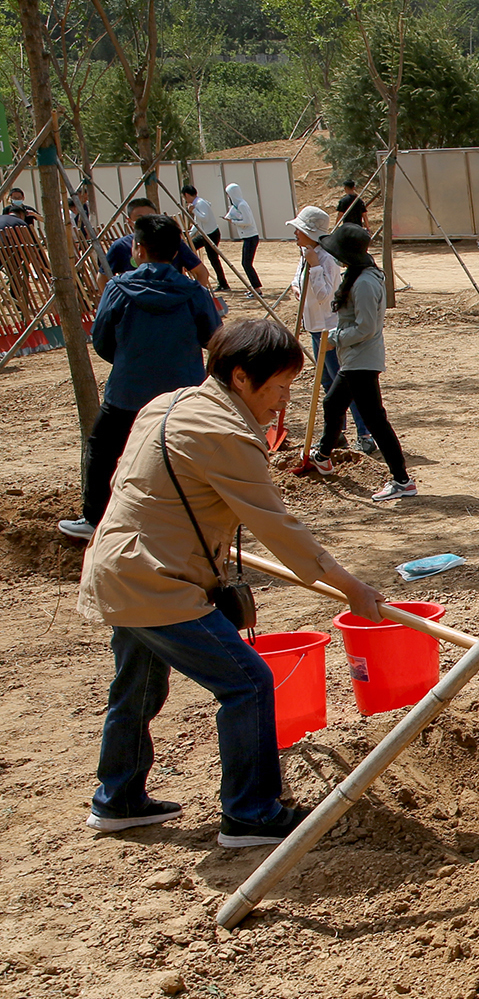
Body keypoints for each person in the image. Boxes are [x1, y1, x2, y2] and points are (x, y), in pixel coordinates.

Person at [79, 316, 386, 847]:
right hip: (156, 581)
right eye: (279, 387)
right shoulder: (223, 432)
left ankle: (118, 798)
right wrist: (352, 587)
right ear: (241, 377)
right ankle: (249, 813)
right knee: (247, 683)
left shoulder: (168, 404)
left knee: (138, 683)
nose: (284, 402)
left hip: (116, 567)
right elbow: (279, 527)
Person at [63, 213, 225, 543]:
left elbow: (101, 340)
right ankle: (189, 523)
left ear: (137, 249)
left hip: (128, 392)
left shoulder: (118, 288)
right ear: (177, 252)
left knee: (103, 449)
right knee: (185, 456)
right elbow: (213, 338)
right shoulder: (194, 293)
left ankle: (95, 519)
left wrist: (131, 361)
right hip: (181, 397)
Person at [313, 224, 415, 502]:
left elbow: (366, 327)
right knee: (333, 403)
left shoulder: (366, 283)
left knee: (375, 420)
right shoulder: (357, 275)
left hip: (362, 360)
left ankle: (402, 480)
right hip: (354, 359)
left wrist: (335, 338)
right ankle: (323, 456)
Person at [285, 205, 356, 450]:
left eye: (299, 229)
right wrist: (297, 286)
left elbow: (325, 295)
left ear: (311, 233)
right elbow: (298, 278)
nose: (295, 233)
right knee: (326, 381)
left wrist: (314, 266)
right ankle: (337, 432)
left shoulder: (326, 259)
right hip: (314, 327)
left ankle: (365, 434)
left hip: (328, 328)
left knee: (341, 382)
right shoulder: (307, 254)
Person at [105, 197, 211, 287]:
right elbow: (102, 277)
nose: (147, 223)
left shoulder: (173, 242)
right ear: (129, 221)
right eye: (140, 218)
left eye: (150, 217)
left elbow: (202, 272)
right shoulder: (120, 246)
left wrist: (192, 298)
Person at [182, 184, 231, 288]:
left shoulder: (200, 203)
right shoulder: (197, 204)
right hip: (204, 234)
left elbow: (205, 218)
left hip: (211, 234)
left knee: (213, 259)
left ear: (186, 195)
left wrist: (193, 210)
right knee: (190, 246)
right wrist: (189, 235)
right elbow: (197, 222)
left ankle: (223, 283)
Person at [223, 182, 261, 296]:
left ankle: (257, 289)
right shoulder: (238, 205)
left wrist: (234, 221)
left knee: (246, 263)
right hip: (247, 237)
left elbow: (248, 221)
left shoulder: (242, 205)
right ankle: (254, 287)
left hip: (251, 237)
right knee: (246, 263)